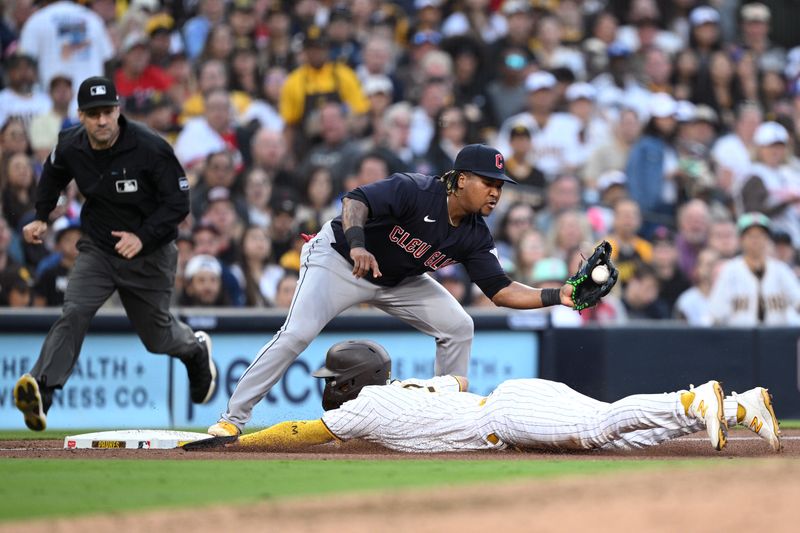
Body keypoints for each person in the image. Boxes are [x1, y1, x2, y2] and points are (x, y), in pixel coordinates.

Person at [207, 144, 584, 437]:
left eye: (500, 185)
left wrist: (558, 296)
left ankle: (448, 422)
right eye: (489, 182)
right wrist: (357, 244)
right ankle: (232, 419)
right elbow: (354, 201)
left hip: (397, 279)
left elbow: (500, 290)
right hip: (340, 260)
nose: (496, 193)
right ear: (463, 178)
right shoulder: (416, 189)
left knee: (458, 327)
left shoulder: (475, 233)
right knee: (296, 334)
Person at [13, 76, 218, 432]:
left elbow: (178, 202)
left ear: (118, 110)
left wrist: (142, 236)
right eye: (93, 114)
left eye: (107, 111)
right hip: (99, 248)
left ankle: (194, 349)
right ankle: (42, 389)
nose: (102, 120)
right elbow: (52, 173)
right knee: (74, 310)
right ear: (80, 115)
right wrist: (42, 216)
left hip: (150, 254)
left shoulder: (150, 146)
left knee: (157, 339)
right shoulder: (71, 144)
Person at [191, 340, 782, 454]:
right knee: (622, 439)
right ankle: (739, 406)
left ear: (352, 384)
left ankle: (692, 401)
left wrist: (240, 439)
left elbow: (299, 433)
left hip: (507, 413)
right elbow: (459, 385)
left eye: (331, 382)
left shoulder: (365, 406)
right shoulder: (410, 388)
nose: (329, 392)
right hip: (504, 407)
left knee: (602, 428)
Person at [708, 212, 800, 326]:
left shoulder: (781, 270)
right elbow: (715, 314)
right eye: (750, 235)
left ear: (767, 239)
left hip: (775, 338)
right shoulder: (730, 270)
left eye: (760, 235)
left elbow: (798, 302)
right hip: (739, 337)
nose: (755, 240)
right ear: (741, 240)